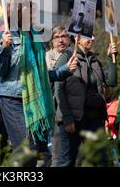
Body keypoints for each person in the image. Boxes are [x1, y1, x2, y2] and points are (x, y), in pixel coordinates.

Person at [0, 0, 55, 166]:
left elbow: (41, 74)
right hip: (13, 99)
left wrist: (64, 70)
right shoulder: (6, 34)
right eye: (29, 5)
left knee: (36, 153)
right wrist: (4, 48)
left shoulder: (35, 35)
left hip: (35, 99)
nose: (34, 8)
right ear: (19, 10)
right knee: (26, 150)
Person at [51, 35, 118, 167]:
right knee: (66, 162)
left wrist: (112, 58)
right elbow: (58, 89)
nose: (92, 38)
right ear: (77, 38)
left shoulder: (94, 60)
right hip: (73, 120)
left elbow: (112, 81)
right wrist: (67, 117)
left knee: (101, 161)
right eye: (88, 35)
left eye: (93, 36)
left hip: (94, 120)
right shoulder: (67, 57)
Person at [46, 26, 71, 167]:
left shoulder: (72, 55)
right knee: (54, 151)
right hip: (52, 109)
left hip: (71, 109)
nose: (61, 40)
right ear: (52, 41)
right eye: (57, 37)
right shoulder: (47, 58)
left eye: (64, 36)